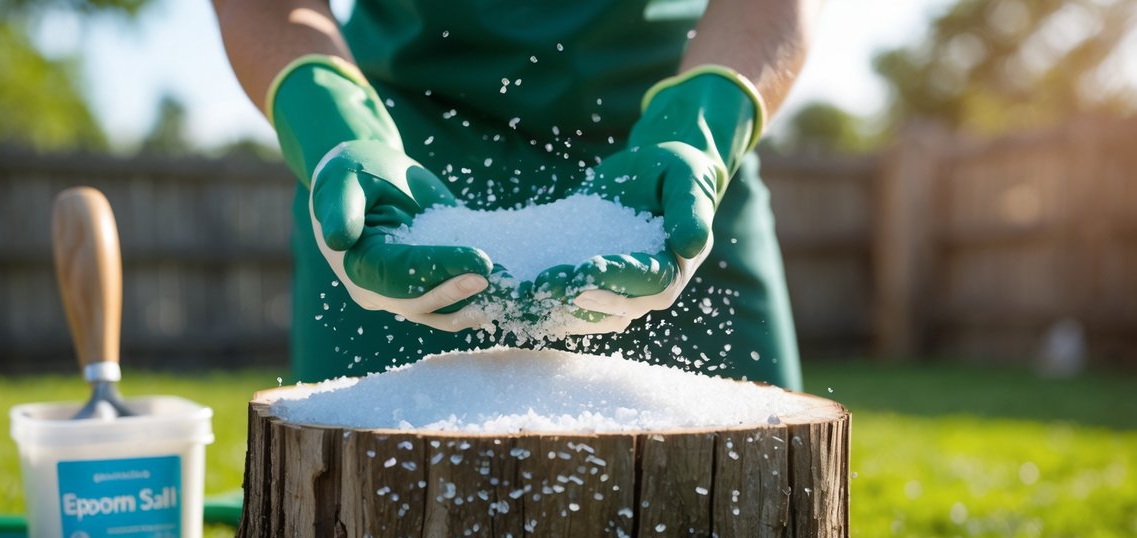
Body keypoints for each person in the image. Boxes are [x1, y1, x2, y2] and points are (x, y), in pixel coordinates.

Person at [212, 0, 822, 389]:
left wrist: (699, 123)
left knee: (756, 491)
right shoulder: (380, 175)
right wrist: (331, 122)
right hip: (401, 163)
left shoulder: (679, 153)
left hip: (665, 159)